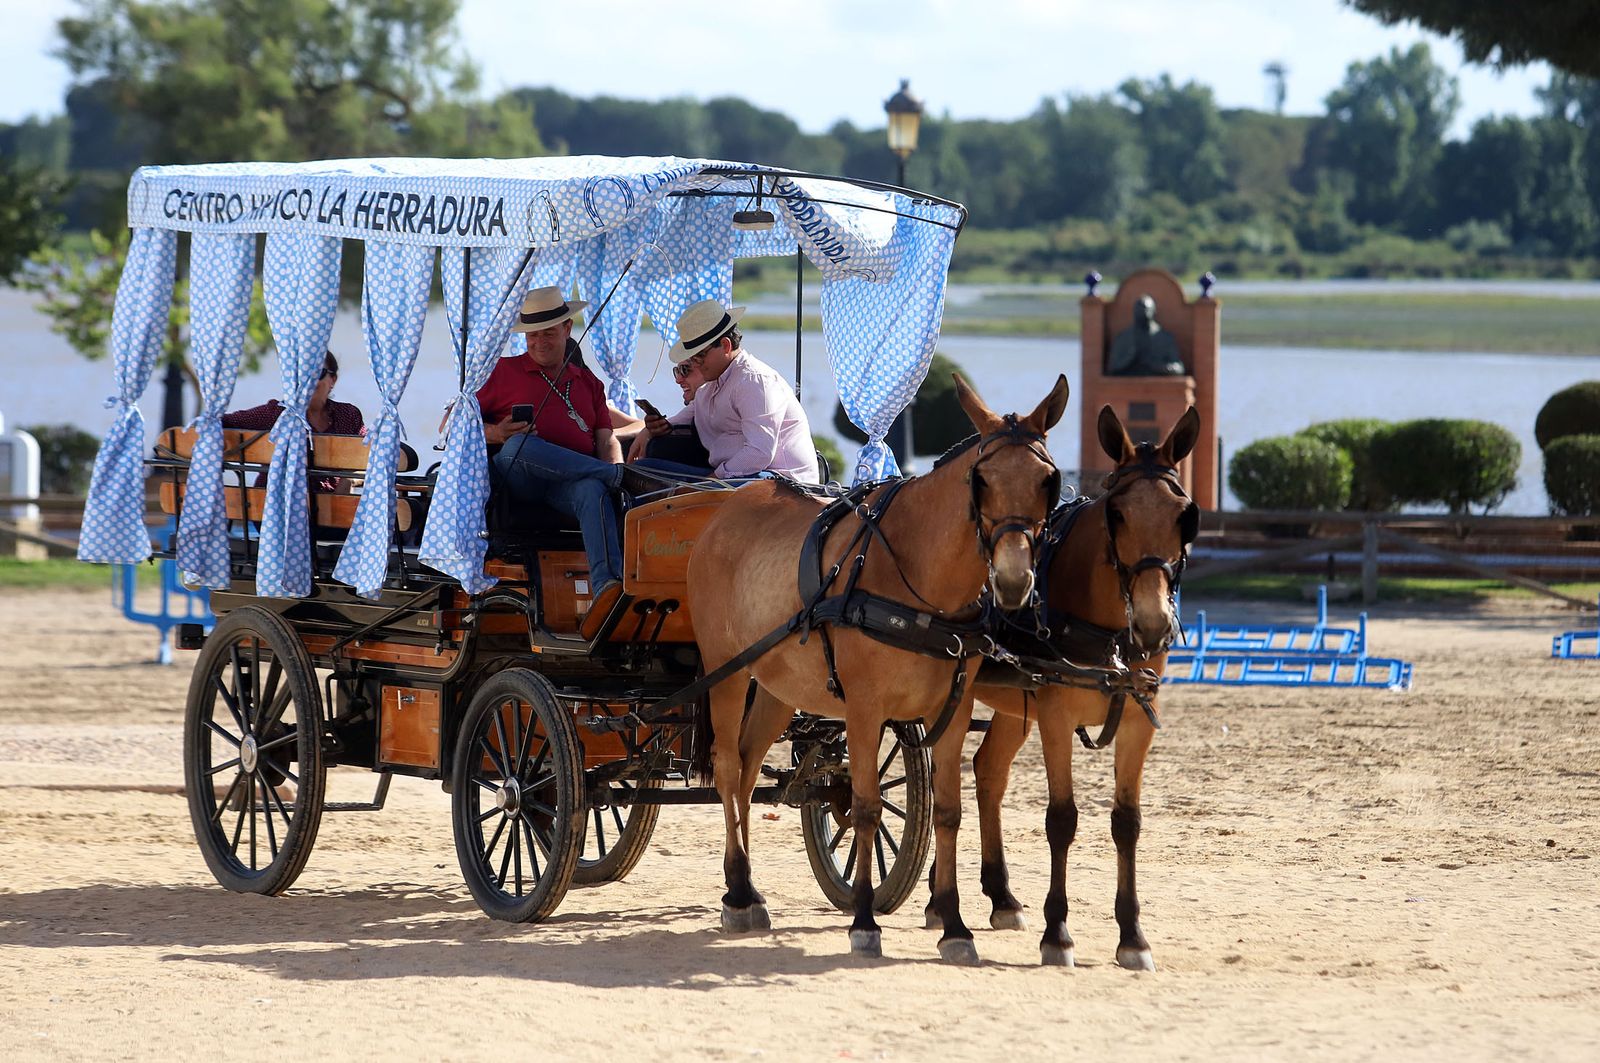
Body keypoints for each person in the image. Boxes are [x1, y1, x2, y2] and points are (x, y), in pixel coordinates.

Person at [477, 285, 661, 629]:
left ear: (566, 329)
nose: (539, 341)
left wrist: (613, 466)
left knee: (592, 488)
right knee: (518, 447)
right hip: (518, 478)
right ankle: (616, 479)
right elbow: (451, 424)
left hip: (567, 484)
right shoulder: (501, 371)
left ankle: (608, 587)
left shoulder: (588, 382)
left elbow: (606, 440)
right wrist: (497, 433)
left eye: (548, 332)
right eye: (532, 335)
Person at [638, 299, 819, 483]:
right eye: (691, 358)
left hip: (783, 481)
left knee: (654, 479)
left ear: (725, 346)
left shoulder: (753, 380)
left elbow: (759, 453)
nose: (695, 364)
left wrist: (709, 482)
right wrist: (650, 431)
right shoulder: (710, 386)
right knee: (644, 470)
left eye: (699, 356)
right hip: (741, 475)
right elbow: (678, 420)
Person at [223, 351, 364, 492]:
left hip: (335, 509)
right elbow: (223, 422)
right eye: (301, 374)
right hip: (273, 508)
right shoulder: (276, 414)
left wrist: (349, 479)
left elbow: (371, 457)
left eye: (317, 373)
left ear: (333, 380)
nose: (308, 381)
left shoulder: (349, 415)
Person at [1107, 294, 1187, 376]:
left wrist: (1157, 366)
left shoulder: (1165, 338)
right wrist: (1129, 359)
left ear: (1154, 311)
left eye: (1146, 309)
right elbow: (1113, 368)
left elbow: (1178, 369)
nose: (1142, 313)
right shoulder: (1124, 338)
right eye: (1138, 310)